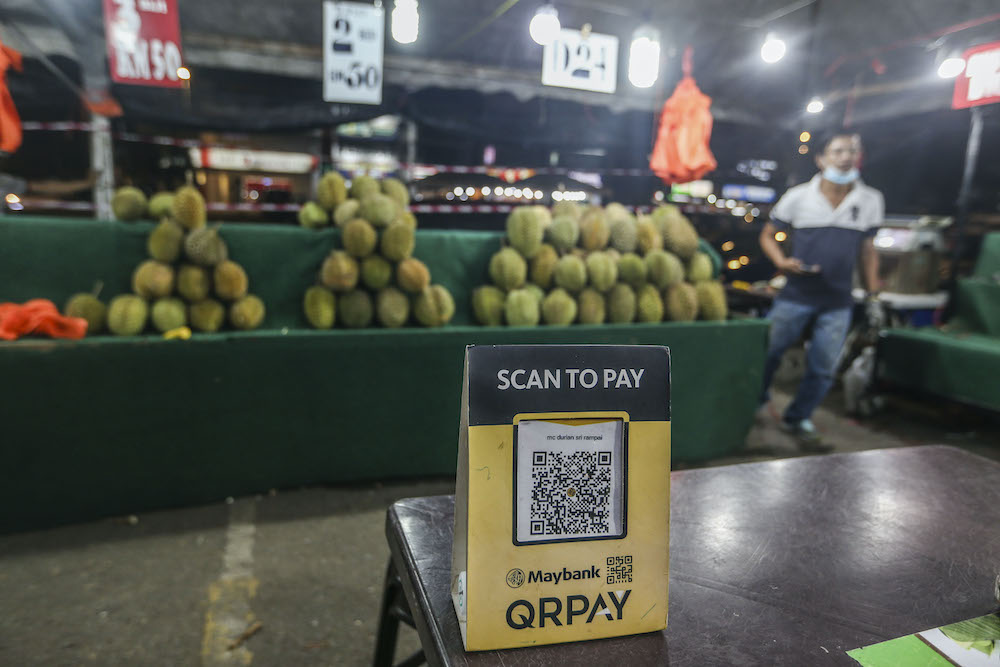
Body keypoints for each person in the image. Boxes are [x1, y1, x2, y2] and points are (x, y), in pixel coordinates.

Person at [758, 131, 883, 447]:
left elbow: (868, 251)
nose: (846, 157)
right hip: (796, 295)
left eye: (852, 151)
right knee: (766, 354)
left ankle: (798, 417)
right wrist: (782, 262)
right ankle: (753, 402)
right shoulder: (799, 196)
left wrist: (872, 295)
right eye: (838, 151)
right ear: (821, 159)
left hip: (838, 299)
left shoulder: (870, 200)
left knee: (824, 367)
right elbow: (768, 234)